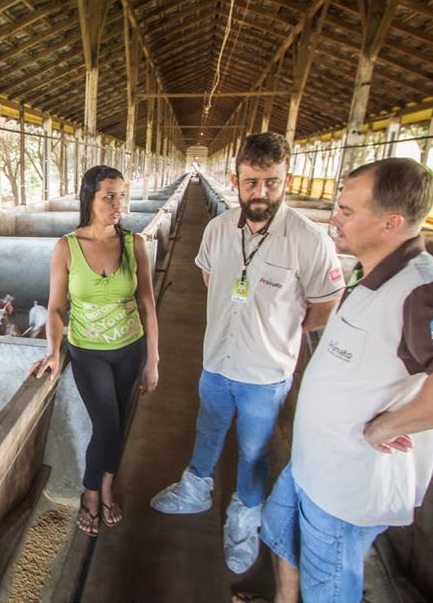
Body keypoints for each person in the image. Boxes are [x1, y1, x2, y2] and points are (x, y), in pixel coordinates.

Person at [256, 158, 433, 603]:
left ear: (391, 223)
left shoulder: (422, 289)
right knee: (279, 527)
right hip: (315, 462)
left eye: (348, 211)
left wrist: (390, 426)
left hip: (346, 482)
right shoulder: (371, 272)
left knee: (329, 582)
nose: (335, 218)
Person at [150, 132, 344, 574]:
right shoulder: (218, 230)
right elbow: (206, 277)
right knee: (208, 428)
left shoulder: (309, 241)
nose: (260, 193)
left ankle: (244, 520)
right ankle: (195, 491)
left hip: (266, 372)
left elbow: (325, 304)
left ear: (286, 179)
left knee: (255, 452)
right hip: (217, 361)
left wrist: (282, 334)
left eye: (271, 182)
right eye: (252, 182)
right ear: (235, 180)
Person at [31, 165, 160, 537]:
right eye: (109, 196)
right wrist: (54, 350)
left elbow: (148, 305)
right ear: (89, 197)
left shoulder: (135, 244)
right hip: (88, 352)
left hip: (130, 349)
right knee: (107, 425)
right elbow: (55, 309)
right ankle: (93, 490)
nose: (118, 203)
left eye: (122, 195)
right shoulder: (66, 247)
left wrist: (153, 359)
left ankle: (105, 485)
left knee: (118, 423)